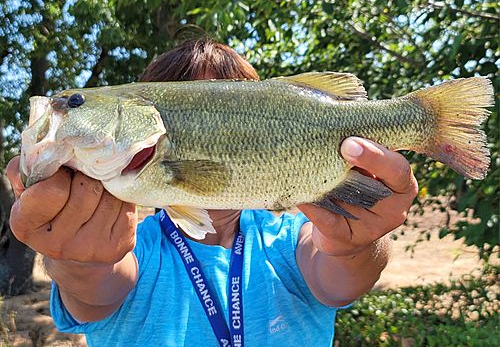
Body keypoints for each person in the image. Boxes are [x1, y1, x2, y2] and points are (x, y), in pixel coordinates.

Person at [6, 39, 418, 346]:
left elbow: (339, 281)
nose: (62, 107)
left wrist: (356, 246)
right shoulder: (128, 244)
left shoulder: (291, 235)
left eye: (74, 103)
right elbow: (98, 292)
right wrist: (77, 263)